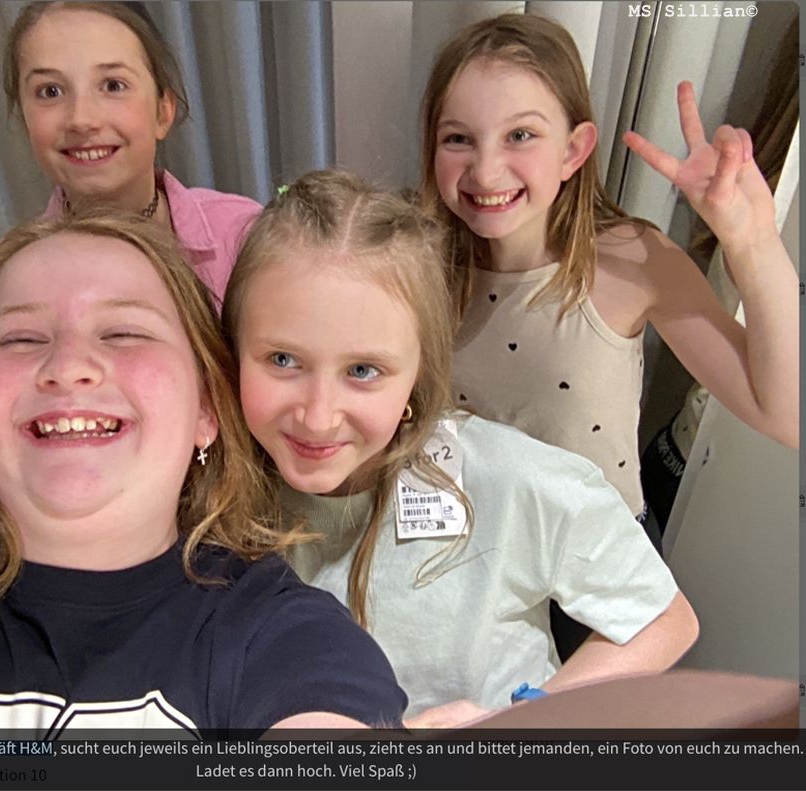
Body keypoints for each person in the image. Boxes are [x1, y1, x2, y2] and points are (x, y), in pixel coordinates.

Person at [0, 208, 407, 736]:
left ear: (206, 410)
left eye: (124, 333)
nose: (68, 365)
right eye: (21, 338)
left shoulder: (283, 638)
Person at [221, 170, 699, 726]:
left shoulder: (507, 478)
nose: (318, 415)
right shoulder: (212, 503)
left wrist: (528, 717)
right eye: (283, 360)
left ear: (418, 371)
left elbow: (663, 617)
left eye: (363, 370)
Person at [421, 13, 798, 529]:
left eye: (520, 135)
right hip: (475, 549)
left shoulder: (635, 259)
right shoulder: (416, 263)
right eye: (458, 139)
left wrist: (755, 243)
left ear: (573, 150)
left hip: (600, 559)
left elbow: (787, 416)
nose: (485, 171)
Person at [3, 1, 260, 306]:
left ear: (163, 112)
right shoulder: (6, 280)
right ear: (24, 119)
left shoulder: (244, 236)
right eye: (50, 91)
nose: (81, 119)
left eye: (113, 85)